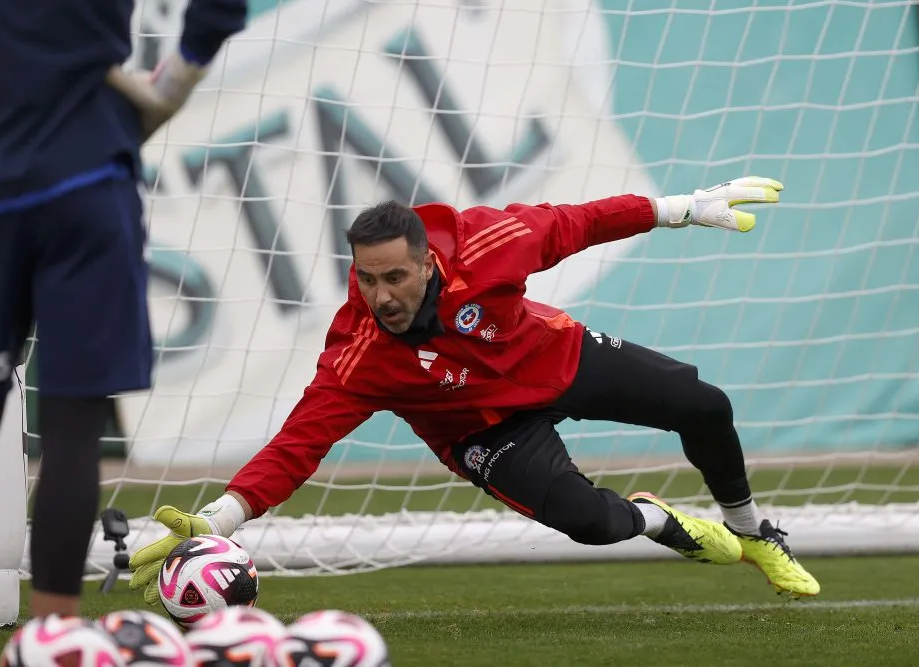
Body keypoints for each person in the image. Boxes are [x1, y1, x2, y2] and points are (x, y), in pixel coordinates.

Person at [129, 177, 820, 600]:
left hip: (553, 356)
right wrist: (218, 520)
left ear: (428, 262)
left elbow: (575, 224)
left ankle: (754, 531)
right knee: (592, 523)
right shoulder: (359, 354)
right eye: (366, 279)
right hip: (483, 433)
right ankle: (665, 521)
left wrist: (681, 208)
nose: (380, 295)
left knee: (705, 405)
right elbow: (297, 445)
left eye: (394, 277)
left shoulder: (487, 243)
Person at [0, 0, 247, 618]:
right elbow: (223, 1)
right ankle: (51, 639)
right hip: (86, 176)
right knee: (72, 429)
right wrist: (169, 87)